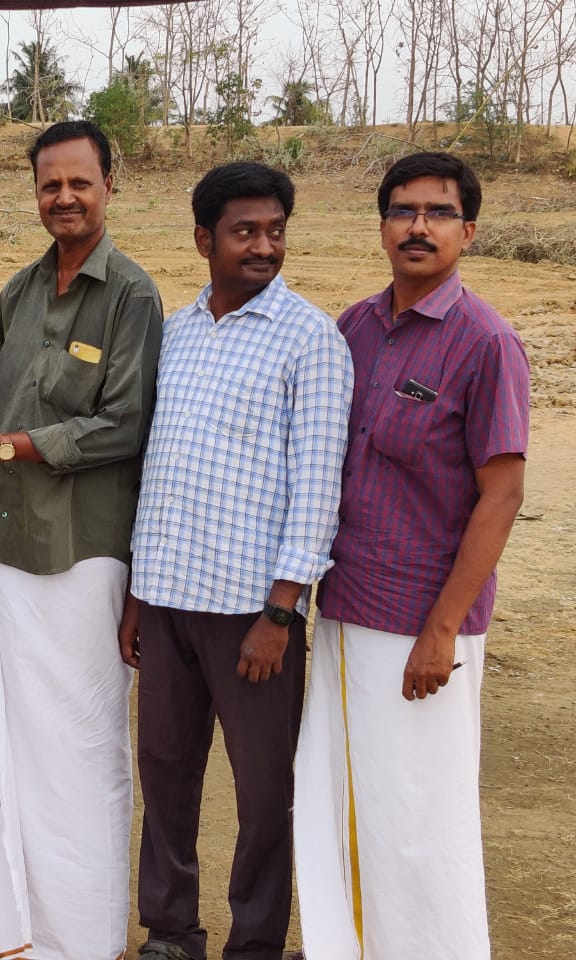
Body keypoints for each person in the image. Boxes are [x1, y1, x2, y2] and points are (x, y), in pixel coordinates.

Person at [0, 120, 163, 960]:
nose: (64, 197)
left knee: (83, 739)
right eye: (49, 184)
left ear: (109, 186)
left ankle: (86, 931)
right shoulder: (19, 292)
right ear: (35, 192)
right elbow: (8, 415)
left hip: (83, 551)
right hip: (12, 542)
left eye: (79, 182)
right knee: (20, 738)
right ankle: (29, 913)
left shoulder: (131, 295)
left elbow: (123, 426)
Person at [295, 152, 530, 960]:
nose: (418, 226)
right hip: (345, 609)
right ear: (383, 225)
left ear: (467, 230)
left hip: (421, 627)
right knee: (341, 798)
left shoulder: (486, 343)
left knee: (419, 821)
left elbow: (500, 495)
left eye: (437, 213)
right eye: (403, 211)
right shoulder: (355, 327)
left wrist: (442, 629)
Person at [119, 163, 352, 960]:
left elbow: (318, 486)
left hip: (254, 618)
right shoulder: (176, 332)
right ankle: (171, 930)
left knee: (263, 797)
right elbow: (156, 466)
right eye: (244, 231)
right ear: (203, 240)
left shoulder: (312, 340)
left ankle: (254, 943)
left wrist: (282, 613)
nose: (263, 246)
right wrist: (138, 597)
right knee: (167, 780)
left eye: (275, 231)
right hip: (169, 601)